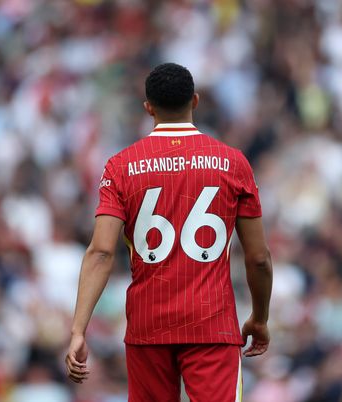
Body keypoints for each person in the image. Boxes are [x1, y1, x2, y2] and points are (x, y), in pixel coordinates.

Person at [65, 63, 273, 402]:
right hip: (211, 323)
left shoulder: (121, 167)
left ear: (148, 107)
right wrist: (260, 318)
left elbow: (101, 252)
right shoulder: (233, 163)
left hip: (149, 325)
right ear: (195, 100)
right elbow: (259, 257)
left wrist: (78, 329)